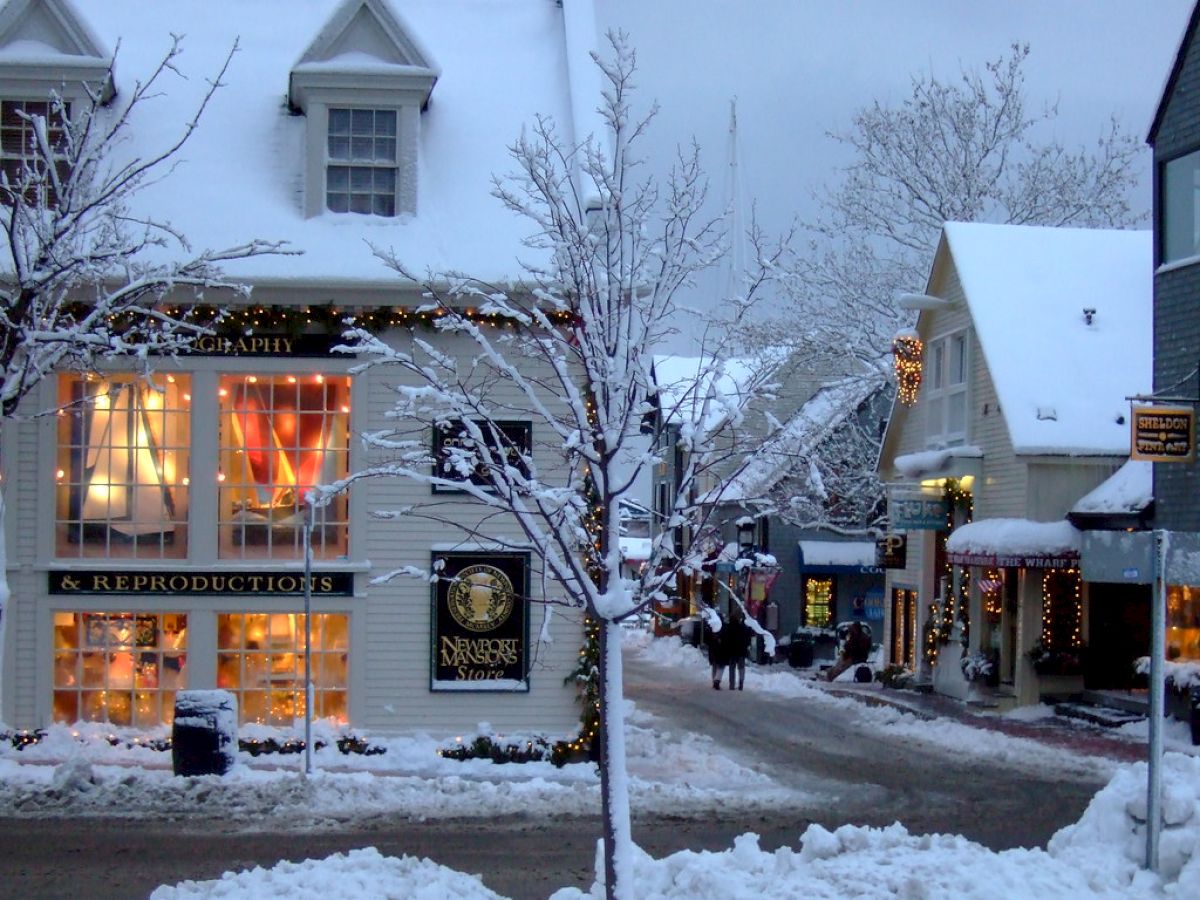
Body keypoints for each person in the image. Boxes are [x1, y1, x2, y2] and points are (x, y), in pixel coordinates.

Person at [722, 610, 753, 690]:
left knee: (732, 668)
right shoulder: (743, 627)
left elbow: (726, 639)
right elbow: (748, 637)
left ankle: (732, 684)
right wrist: (746, 646)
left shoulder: (728, 627)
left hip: (732, 651)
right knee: (741, 667)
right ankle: (741, 683)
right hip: (741, 651)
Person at [704, 612, 728, 689]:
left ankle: (714, 680)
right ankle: (717, 680)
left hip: (713, 649)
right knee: (721, 665)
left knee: (715, 665)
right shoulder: (724, 627)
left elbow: (706, 639)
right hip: (722, 649)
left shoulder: (711, 627)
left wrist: (711, 642)